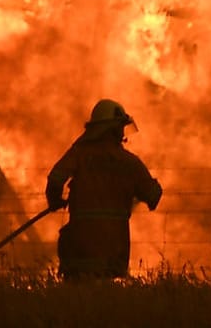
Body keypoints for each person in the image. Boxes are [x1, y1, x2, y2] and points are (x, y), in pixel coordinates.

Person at [45, 98, 162, 279]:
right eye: (120, 127)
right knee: (103, 299)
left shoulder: (79, 153)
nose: (123, 132)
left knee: (76, 299)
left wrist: (55, 201)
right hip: (113, 245)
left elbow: (55, 179)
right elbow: (153, 195)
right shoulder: (129, 162)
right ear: (113, 128)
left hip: (80, 244)